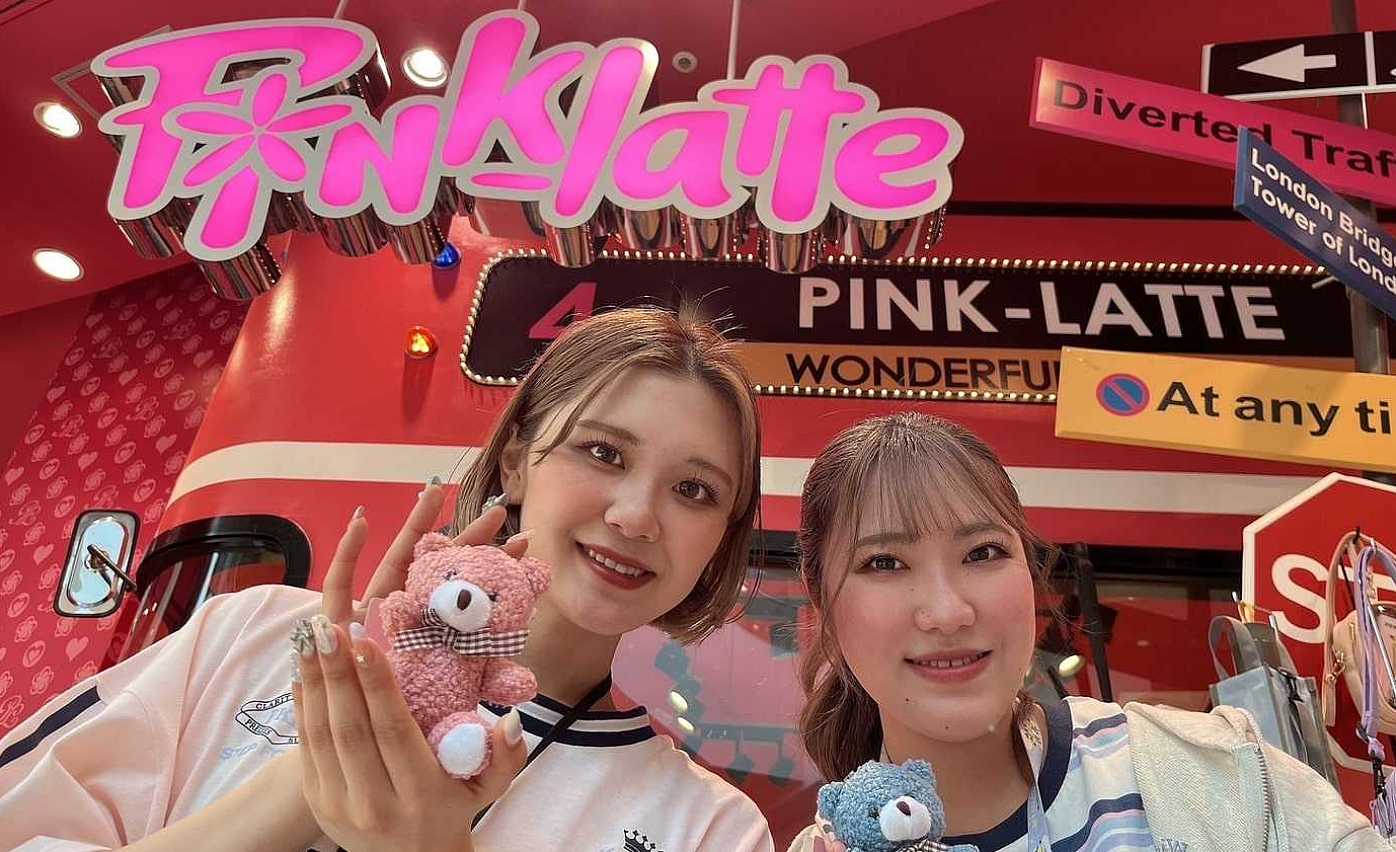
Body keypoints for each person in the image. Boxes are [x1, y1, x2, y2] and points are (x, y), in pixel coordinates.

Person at [0, 306, 774, 852]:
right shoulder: (253, 634)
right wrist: (320, 771)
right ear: (516, 462)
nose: (637, 516)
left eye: (695, 490)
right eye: (603, 452)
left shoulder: (710, 828)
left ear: (719, 541)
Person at [786, 412, 1391, 852]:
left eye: (983, 552)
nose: (947, 612)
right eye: (884, 563)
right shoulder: (828, 846)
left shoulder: (1214, 771)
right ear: (824, 605)